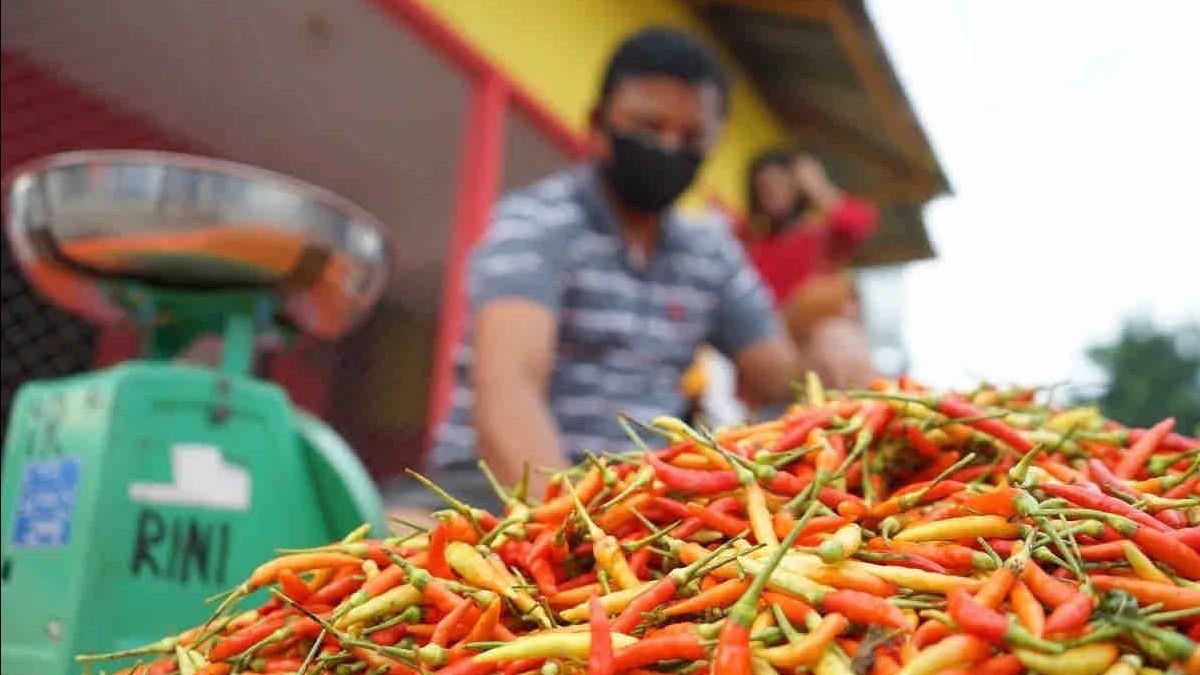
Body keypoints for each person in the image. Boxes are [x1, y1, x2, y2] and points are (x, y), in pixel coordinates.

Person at [386, 28, 807, 513]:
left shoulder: (711, 254)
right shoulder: (537, 223)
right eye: (649, 127)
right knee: (389, 546)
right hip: (495, 490)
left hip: (645, 499)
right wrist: (572, 535)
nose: (669, 146)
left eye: (691, 137)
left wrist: (827, 333)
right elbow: (510, 387)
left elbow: (783, 380)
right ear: (598, 124)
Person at [739, 148, 879, 388]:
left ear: (798, 186)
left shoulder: (821, 234)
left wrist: (819, 187)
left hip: (825, 353)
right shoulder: (752, 246)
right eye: (764, 185)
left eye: (780, 182)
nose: (772, 190)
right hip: (777, 358)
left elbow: (860, 222)